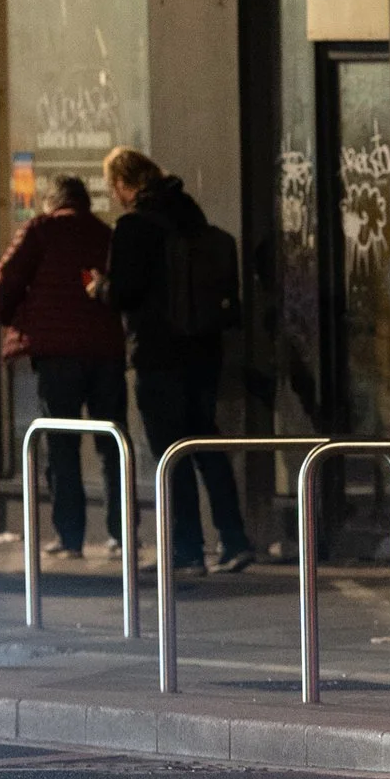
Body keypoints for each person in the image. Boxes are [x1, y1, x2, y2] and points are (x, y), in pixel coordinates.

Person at [93, 145, 253, 578]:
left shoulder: (134, 227)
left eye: (114, 186)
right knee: (206, 446)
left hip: (159, 353)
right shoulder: (189, 214)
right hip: (203, 349)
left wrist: (99, 289)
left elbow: (124, 292)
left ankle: (186, 549)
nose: (115, 194)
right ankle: (234, 539)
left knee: (171, 455)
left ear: (124, 185)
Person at [0, 172, 125, 563]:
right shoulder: (105, 233)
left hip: (57, 355)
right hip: (105, 350)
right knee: (112, 442)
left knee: (61, 444)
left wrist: (13, 317)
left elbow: (6, 279)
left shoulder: (40, 230)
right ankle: (120, 534)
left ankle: (70, 537)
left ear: (52, 201)